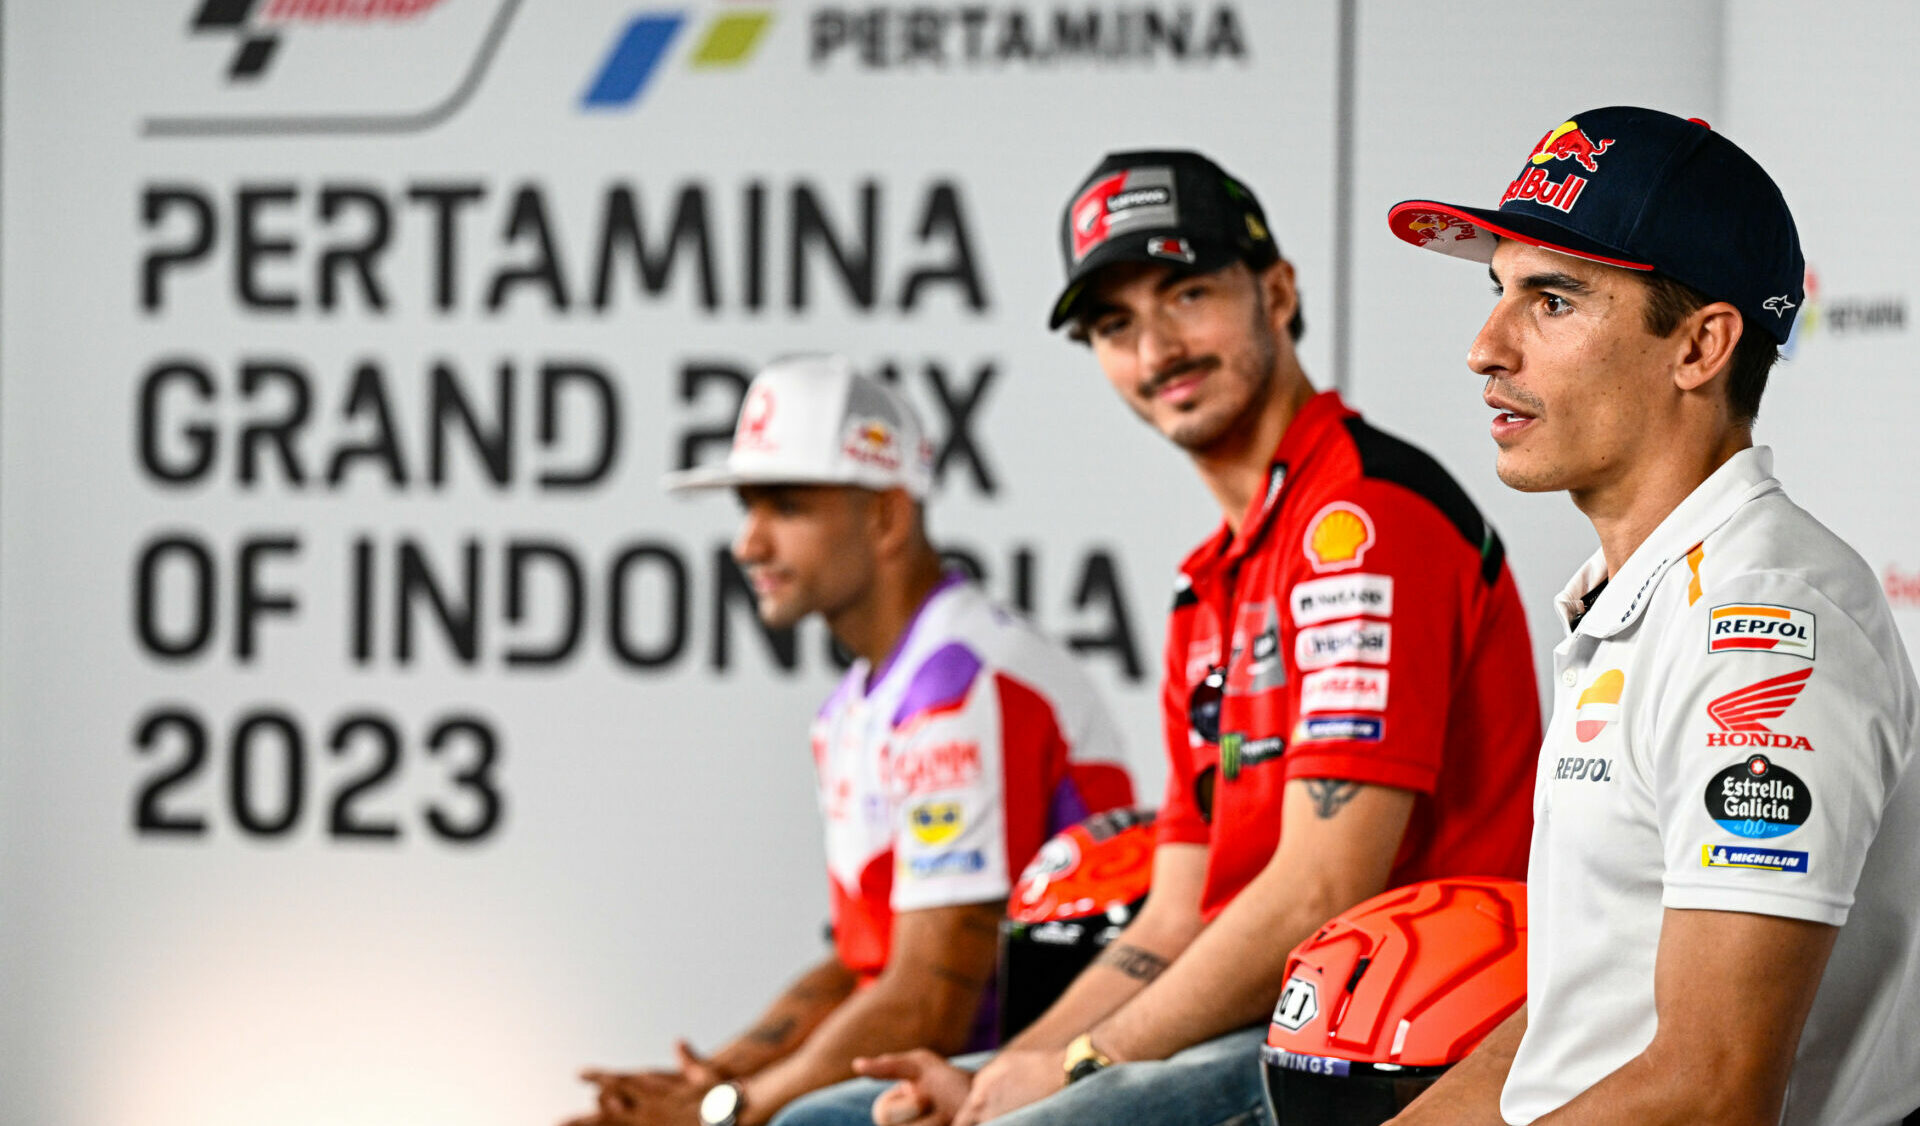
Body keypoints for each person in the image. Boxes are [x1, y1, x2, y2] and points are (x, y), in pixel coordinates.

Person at [774, 150, 1541, 1126]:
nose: (1156, 349)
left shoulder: (1361, 519)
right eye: (1115, 325)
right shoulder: (1206, 586)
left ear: (1277, 290)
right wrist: (1000, 1071)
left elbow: (1321, 884)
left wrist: (1081, 1062)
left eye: (1186, 293)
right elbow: (1174, 913)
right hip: (1264, 1013)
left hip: (1393, 1039)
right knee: (829, 1121)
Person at [1381, 106, 1920, 1125]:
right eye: (1497, 292)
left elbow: (1711, 1090)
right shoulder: (1660, 594)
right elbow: (1576, 1028)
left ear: (1701, 346)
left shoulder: (1762, 617)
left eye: (1551, 300)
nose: (1485, 349)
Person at [563, 354, 1132, 1126]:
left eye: (785, 507)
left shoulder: (957, 683)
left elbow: (932, 1002)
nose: (748, 544)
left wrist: (721, 1114)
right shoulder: (858, 705)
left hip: (1020, 1079)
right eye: (747, 508)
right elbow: (866, 965)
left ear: (887, 517)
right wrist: (717, 1076)